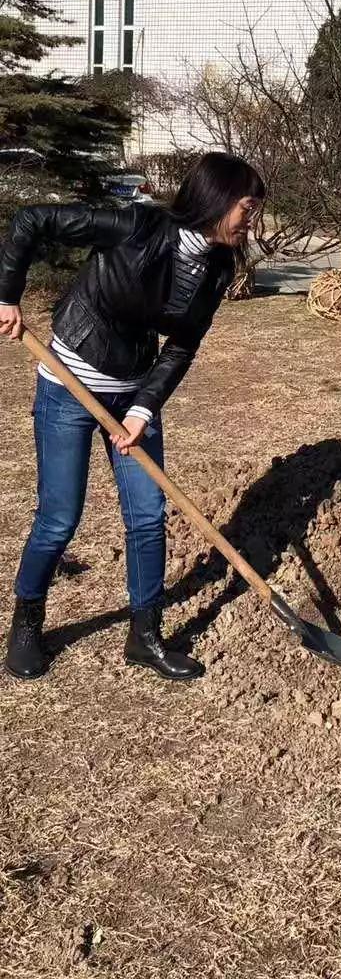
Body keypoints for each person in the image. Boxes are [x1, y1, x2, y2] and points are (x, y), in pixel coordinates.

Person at [0, 151, 265, 683]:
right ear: (216, 201)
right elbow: (32, 220)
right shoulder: (134, 224)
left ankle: (144, 636)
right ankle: (26, 623)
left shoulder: (217, 267)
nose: (252, 219)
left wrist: (144, 410)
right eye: (247, 206)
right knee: (59, 518)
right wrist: (6, 296)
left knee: (147, 517)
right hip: (68, 384)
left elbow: (183, 346)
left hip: (133, 395)